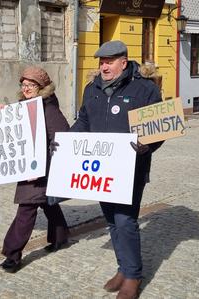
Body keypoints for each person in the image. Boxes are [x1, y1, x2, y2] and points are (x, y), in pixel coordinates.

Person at [68, 40, 163, 299]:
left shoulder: (145, 89)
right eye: (101, 61)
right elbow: (84, 121)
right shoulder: (92, 89)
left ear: (124, 61)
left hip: (131, 167)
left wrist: (148, 145)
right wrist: (67, 141)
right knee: (110, 219)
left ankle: (133, 275)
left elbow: (159, 127)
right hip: (102, 169)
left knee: (125, 219)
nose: (104, 66)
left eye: (109, 61)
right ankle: (123, 268)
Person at [0, 66, 70, 273]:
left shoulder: (48, 108)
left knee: (26, 209)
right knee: (47, 203)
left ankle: (12, 254)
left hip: (41, 169)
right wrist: (2, 115)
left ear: (41, 87)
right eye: (24, 84)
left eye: (31, 85)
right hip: (28, 167)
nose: (26, 88)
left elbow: (62, 135)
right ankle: (60, 236)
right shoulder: (25, 105)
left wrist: (47, 153)